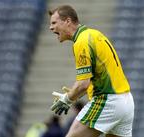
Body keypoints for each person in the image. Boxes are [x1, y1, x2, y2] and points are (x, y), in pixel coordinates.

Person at [48, 5, 134, 137]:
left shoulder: (81, 42)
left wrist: (67, 99)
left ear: (67, 21)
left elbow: (83, 84)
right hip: (126, 102)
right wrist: (74, 93)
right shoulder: (94, 34)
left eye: (54, 23)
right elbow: (98, 76)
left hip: (107, 101)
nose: (51, 27)